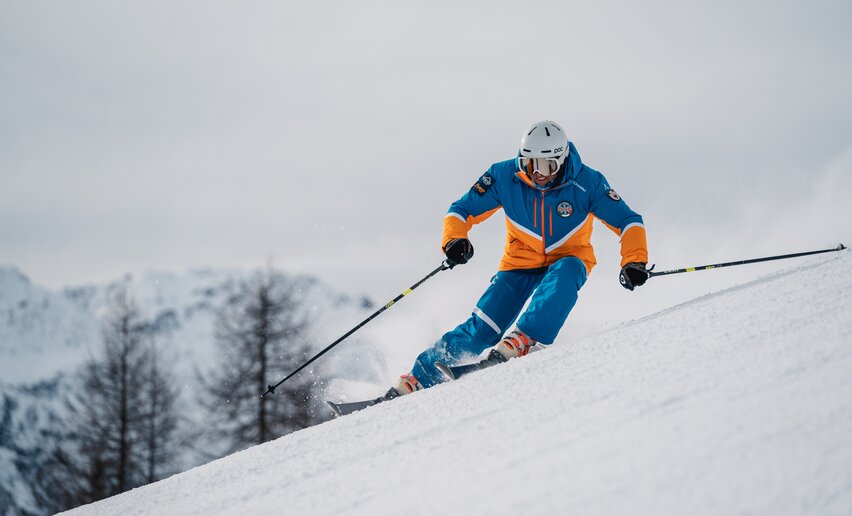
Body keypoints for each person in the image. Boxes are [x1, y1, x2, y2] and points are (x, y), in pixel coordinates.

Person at [391, 120, 650, 396]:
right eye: (530, 163)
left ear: (562, 160)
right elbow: (461, 210)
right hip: (519, 263)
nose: (537, 173)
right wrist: (455, 240)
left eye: (547, 165)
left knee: (567, 272)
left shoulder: (588, 183)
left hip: (568, 257)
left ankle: (524, 338)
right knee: (482, 330)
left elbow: (628, 221)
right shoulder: (504, 176)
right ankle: (419, 377)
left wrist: (634, 261)